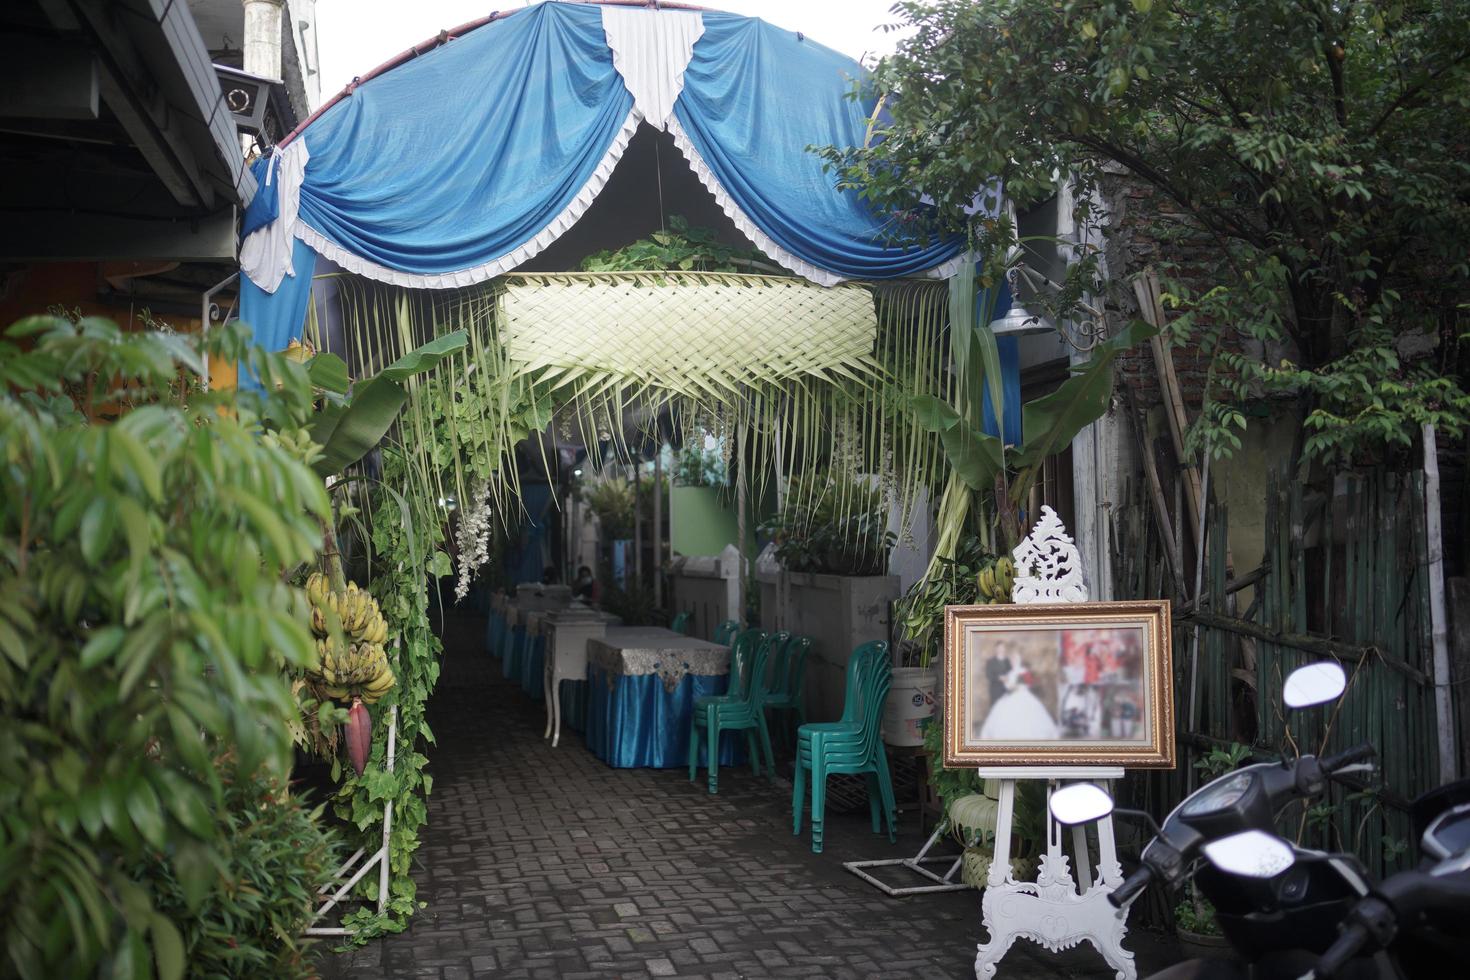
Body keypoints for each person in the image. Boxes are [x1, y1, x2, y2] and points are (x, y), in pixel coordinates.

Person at [978, 652, 1060, 741]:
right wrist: (1007, 684)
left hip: (1023, 694)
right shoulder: (1010, 673)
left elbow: (1028, 684)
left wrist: (1019, 686)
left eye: (1015, 660)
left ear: (1019, 660)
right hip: (1011, 695)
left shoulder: (1023, 671)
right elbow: (1008, 686)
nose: (1013, 662)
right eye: (1012, 660)